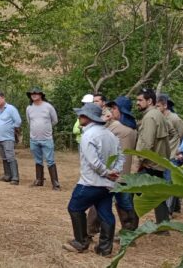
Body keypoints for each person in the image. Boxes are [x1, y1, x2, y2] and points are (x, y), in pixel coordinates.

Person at [62, 102, 124, 257]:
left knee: (74, 208)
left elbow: (93, 162)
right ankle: (105, 249)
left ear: (89, 117)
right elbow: (121, 156)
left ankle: (81, 242)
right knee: (105, 213)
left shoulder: (88, 136)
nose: (79, 117)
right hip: (108, 184)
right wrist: (114, 171)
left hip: (91, 182)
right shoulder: (110, 134)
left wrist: (106, 172)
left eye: (82, 115)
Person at [85, 98, 140, 238]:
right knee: (125, 205)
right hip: (123, 173)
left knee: (98, 203)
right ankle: (129, 233)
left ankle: (89, 231)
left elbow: (96, 132)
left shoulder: (117, 127)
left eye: (113, 108)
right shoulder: (132, 127)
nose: (110, 111)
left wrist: (104, 119)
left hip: (113, 173)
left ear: (121, 110)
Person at [135, 88, 171, 226]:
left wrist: (140, 162)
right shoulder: (158, 114)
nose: (137, 103)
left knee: (132, 194)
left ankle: (130, 228)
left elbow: (147, 143)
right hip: (158, 162)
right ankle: (164, 224)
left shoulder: (150, 117)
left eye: (140, 100)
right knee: (157, 195)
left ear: (149, 101)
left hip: (150, 163)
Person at [26, 86, 60, 190]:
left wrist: (46, 128)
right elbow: (29, 121)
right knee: (38, 160)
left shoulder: (48, 107)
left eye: (36, 93)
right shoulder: (29, 108)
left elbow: (55, 121)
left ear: (41, 95)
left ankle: (55, 183)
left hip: (47, 138)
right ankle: (39, 180)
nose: (34, 95)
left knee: (50, 160)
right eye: (32, 94)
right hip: (34, 139)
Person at [157, 93, 183, 214]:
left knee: (169, 183)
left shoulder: (175, 119)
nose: (156, 108)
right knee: (167, 182)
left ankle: (168, 212)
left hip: (172, 156)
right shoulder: (158, 118)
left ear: (165, 106)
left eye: (158, 106)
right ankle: (175, 207)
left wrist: (181, 152)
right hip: (161, 156)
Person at [0, 91, 21, 185]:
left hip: (8, 137)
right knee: (4, 157)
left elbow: (18, 121)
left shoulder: (11, 109)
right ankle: (7, 175)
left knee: (10, 157)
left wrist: (10, 128)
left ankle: (15, 178)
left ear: (3, 98)